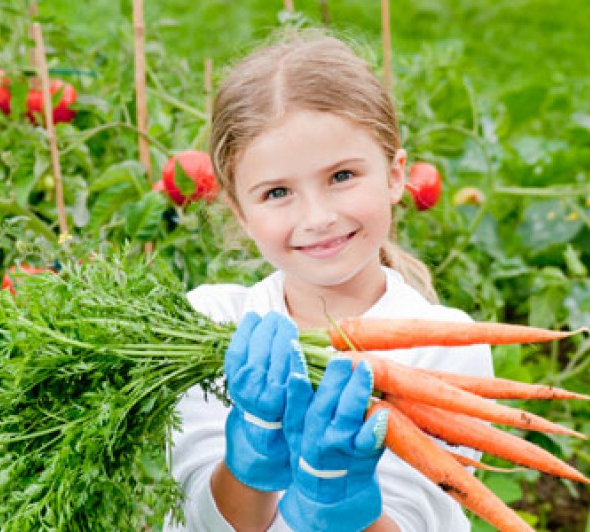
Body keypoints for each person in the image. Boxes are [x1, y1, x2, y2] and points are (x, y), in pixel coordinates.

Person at [165, 31, 493, 532]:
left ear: (394, 174)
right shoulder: (211, 325)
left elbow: (422, 519)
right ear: (239, 211)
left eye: (341, 176)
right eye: (277, 192)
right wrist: (249, 458)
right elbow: (200, 520)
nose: (316, 217)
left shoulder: (446, 346)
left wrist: (338, 503)